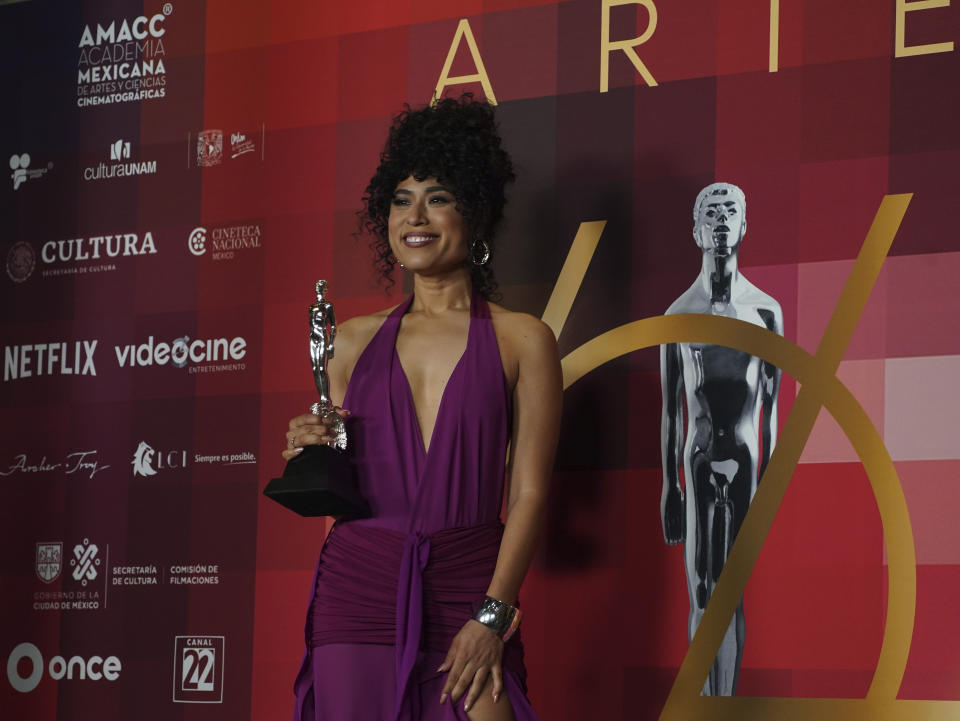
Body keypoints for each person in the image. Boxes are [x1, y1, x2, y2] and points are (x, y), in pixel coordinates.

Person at [281, 96, 562, 721]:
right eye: (401, 199)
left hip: (470, 583)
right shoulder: (350, 341)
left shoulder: (524, 340)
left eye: (437, 197)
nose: (416, 216)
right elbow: (339, 487)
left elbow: (528, 496)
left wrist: (493, 614)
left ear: (477, 212)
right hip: (359, 588)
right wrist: (312, 449)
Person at [659, 182, 783, 695]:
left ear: (746, 224)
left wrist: (772, 484)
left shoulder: (766, 311)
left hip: (748, 455)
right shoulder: (678, 314)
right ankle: (705, 705)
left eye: (731, 211)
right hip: (699, 457)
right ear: (696, 230)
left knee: (731, 590)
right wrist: (670, 486)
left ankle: (724, 702)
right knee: (702, 592)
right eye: (712, 212)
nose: (723, 220)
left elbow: (773, 407)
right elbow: (672, 411)